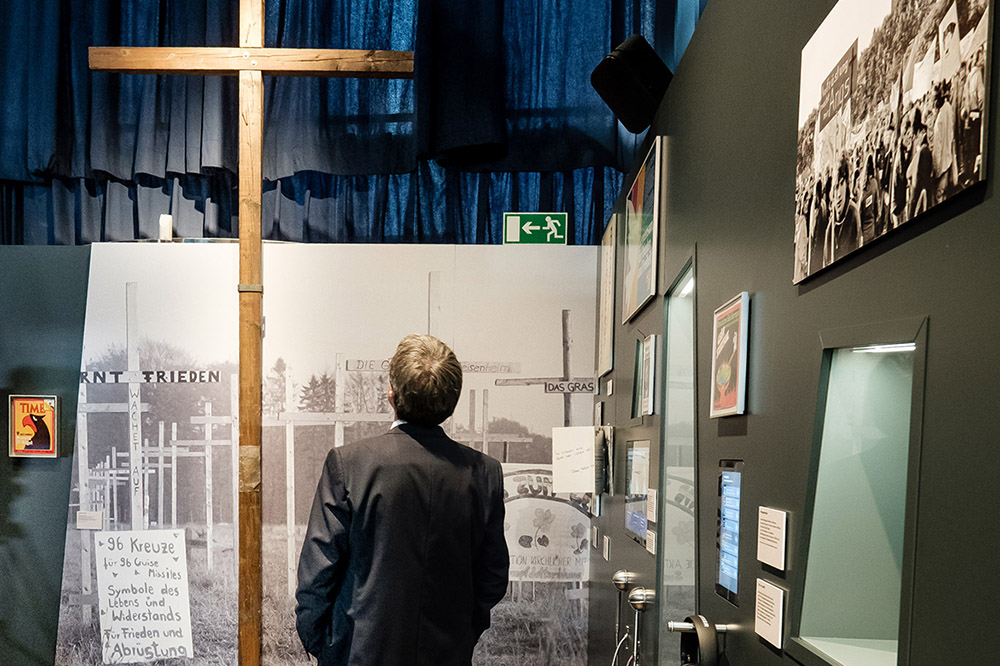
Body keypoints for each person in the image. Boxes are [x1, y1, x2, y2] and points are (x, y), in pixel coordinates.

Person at [296, 334, 510, 666]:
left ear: (391, 393)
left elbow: (318, 569)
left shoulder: (349, 464)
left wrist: (321, 642)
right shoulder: (484, 472)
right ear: (452, 400)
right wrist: (464, 632)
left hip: (358, 653)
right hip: (448, 653)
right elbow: (493, 575)